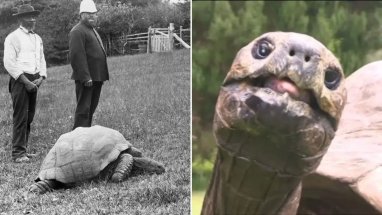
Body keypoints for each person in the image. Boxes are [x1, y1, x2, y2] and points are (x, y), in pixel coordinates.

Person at [3, 4, 47, 163]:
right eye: (29, 16)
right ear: (21, 19)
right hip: (20, 81)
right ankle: (17, 153)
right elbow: (9, 63)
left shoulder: (37, 38)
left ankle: (24, 149)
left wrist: (41, 77)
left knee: (29, 116)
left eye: (34, 16)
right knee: (20, 117)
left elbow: (41, 59)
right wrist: (25, 81)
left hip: (34, 80)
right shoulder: (13, 37)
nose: (33, 19)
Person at [69, 0, 109, 130]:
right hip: (87, 79)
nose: (92, 16)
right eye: (88, 14)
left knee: (90, 109)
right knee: (83, 111)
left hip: (97, 77)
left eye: (94, 14)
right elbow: (77, 56)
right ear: (81, 15)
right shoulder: (77, 31)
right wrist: (86, 77)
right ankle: (77, 140)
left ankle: (85, 137)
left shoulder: (91, 30)